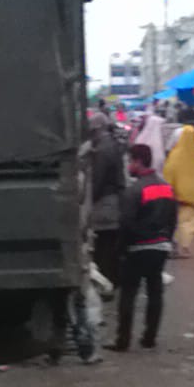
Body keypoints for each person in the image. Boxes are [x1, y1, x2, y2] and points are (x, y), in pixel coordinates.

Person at [109, 144, 177, 351]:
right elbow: (173, 220)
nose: (128, 166)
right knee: (155, 292)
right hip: (160, 247)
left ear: (138, 161)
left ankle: (123, 341)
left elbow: (126, 224)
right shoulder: (166, 188)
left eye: (130, 161)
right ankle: (149, 338)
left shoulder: (134, 191)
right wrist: (166, 240)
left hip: (137, 249)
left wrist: (120, 250)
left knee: (128, 294)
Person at [88, 112, 126, 292]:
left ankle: (107, 283)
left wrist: (88, 201)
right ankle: (114, 280)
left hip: (105, 204)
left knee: (103, 247)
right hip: (113, 201)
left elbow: (98, 180)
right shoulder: (112, 144)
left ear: (96, 129)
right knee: (110, 245)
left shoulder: (103, 149)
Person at [164, 125, 194, 257]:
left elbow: (169, 173)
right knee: (192, 221)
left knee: (180, 221)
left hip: (178, 195)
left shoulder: (174, 155)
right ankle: (183, 247)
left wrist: (169, 190)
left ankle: (179, 247)